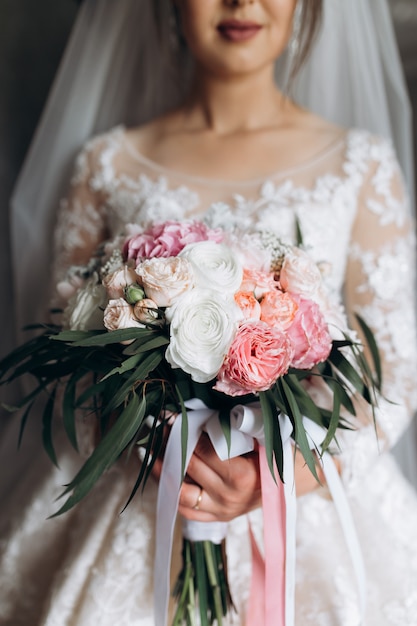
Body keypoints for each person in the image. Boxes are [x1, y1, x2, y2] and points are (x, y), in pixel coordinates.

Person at [1, 0, 417, 624]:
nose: (241, 2)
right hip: (135, 486)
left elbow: (395, 369)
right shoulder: (107, 164)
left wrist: (282, 478)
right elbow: (72, 353)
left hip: (309, 493)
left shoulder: (359, 165)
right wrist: (156, 443)